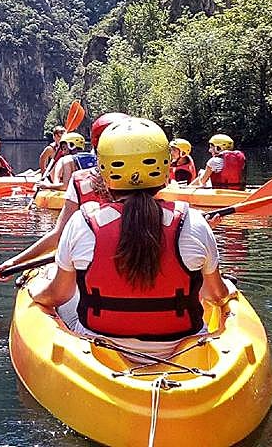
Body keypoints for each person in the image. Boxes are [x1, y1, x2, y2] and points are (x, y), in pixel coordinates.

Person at [26, 118, 234, 353]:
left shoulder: (82, 223)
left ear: (103, 171)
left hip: (100, 346)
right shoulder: (194, 221)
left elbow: (58, 295)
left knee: (52, 281)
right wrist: (227, 289)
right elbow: (216, 295)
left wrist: (34, 292)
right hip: (185, 348)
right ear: (165, 170)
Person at [0, 112, 126, 276]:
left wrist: (16, 261)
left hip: (93, 277)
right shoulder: (157, 188)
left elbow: (58, 235)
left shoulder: (78, 181)